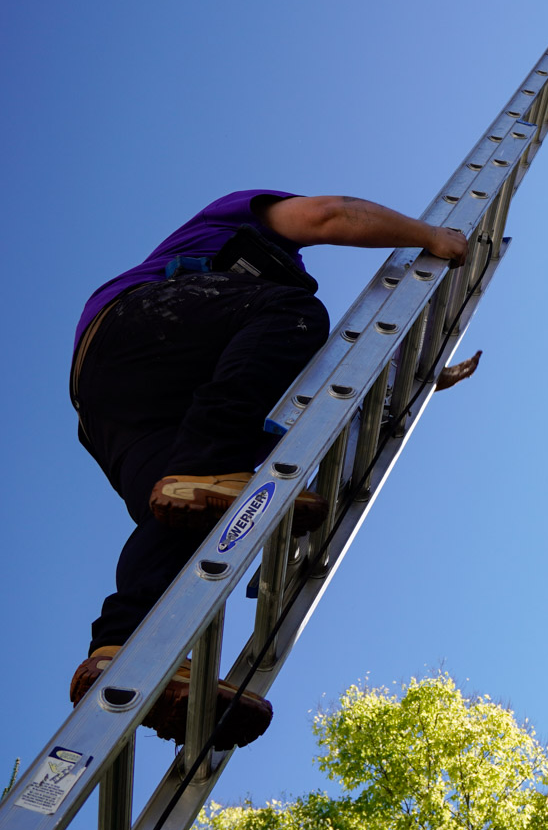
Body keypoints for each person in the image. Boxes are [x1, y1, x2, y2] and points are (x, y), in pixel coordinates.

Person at [68, 190, 469, 748]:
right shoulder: (227, 223)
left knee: (189, 512)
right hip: (139, 322)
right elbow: (328, 214)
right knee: (295, 315)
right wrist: (431, 237)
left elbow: (329, 384)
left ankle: (122, 650)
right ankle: (204, 469)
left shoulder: (242, 358)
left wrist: (418, 376)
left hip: (112, 404)